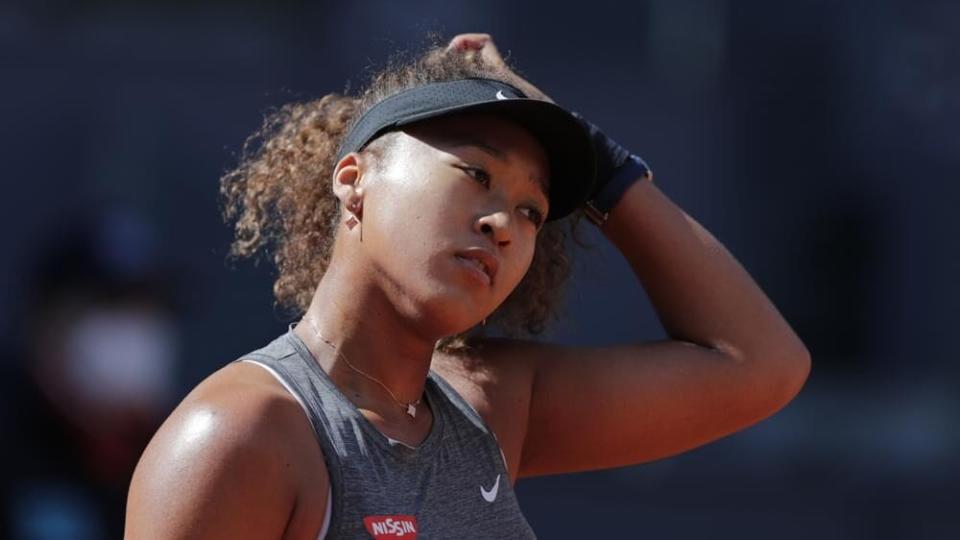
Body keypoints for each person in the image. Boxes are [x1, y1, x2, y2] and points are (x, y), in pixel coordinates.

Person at [125, 33, 810, 539]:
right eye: (478, 176)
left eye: (531, 211)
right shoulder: (239, 437)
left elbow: (760, 366)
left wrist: (601, 163)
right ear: (353, 180)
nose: (503, 225)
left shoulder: (490, 405)